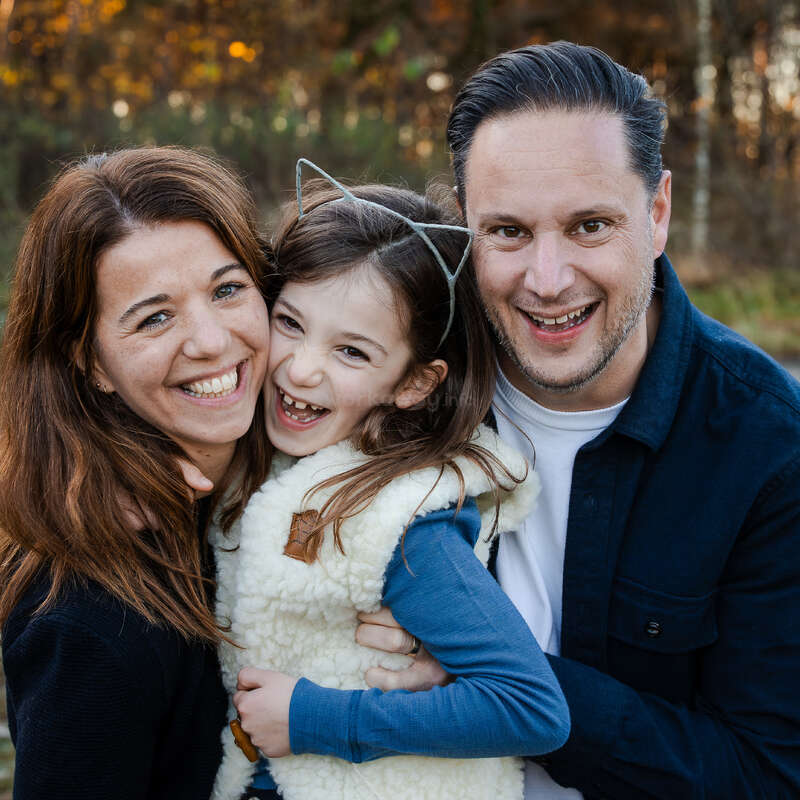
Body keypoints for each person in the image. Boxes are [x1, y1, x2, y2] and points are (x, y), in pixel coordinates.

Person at [355, 42, 800, 798]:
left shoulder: (766, 447)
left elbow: (764, 773)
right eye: (509, 232)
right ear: (466, 228)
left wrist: (503, 683)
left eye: (590, 226)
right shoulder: (398, 378)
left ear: (655, 215)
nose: (548, 280)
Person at [209, 163, 570, 800]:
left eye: (351, 352)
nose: (300, 369)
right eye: (290, 323)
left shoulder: (407, 523)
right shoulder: (257, 460)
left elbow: (530, 708)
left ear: (414, 383)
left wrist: (317, 719)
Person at [0, 146, 273, 800]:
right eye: (155, 317)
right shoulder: (89, 618)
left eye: (228, 289)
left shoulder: (305, 469)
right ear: (89, 362)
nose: (209, 340)